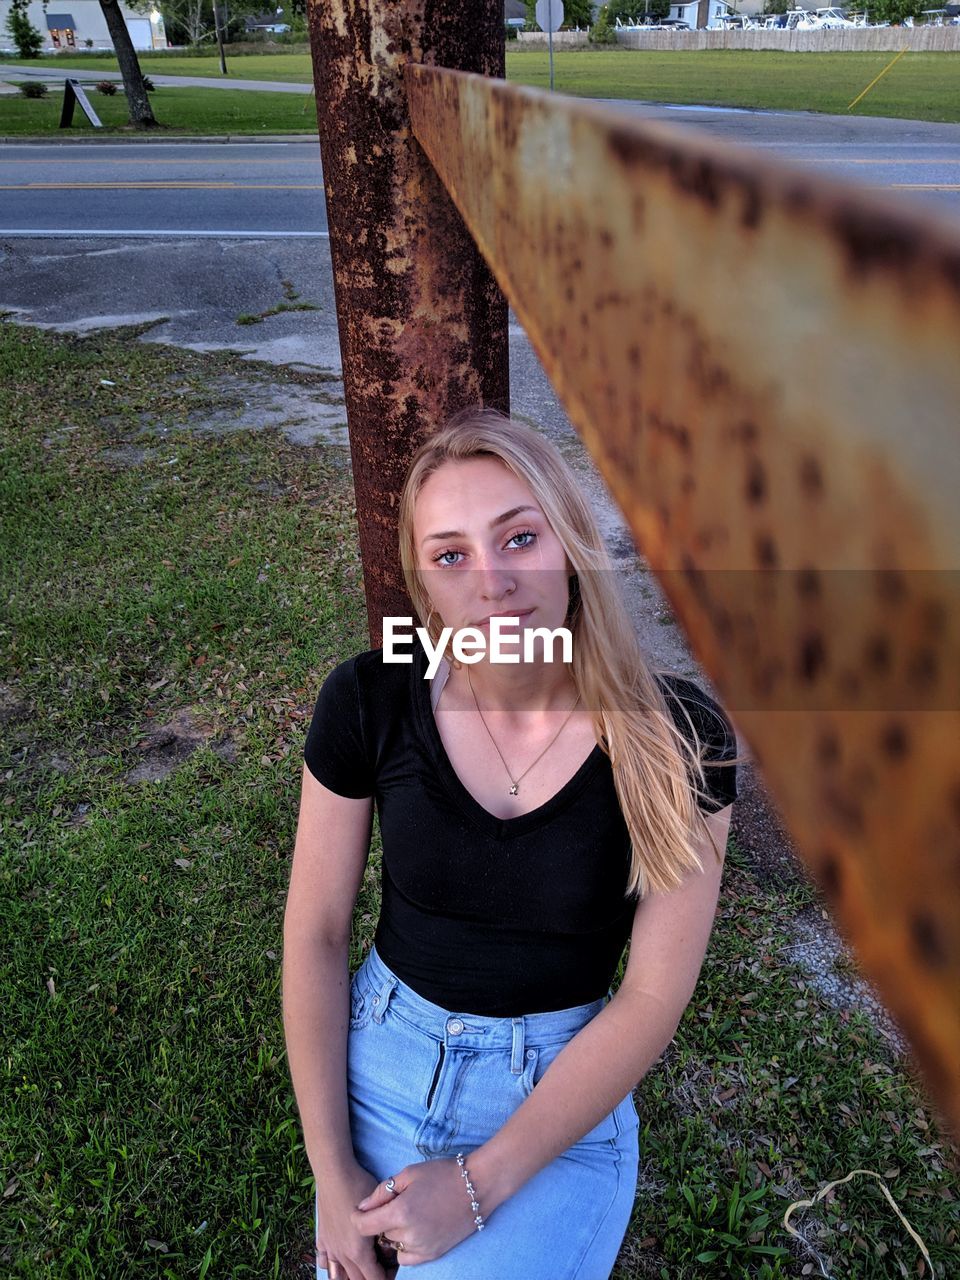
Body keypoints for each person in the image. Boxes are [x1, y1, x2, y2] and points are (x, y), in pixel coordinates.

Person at [282, 408, 739, 1280]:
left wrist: (478, 1185)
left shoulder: (679, 738)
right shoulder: (370, 700)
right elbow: (315, 933)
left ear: (568, 543)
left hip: (552, 1104)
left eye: (518, 537)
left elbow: (648, 998)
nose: (491, 582)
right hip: (377, 1060)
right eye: (451, 555)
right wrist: (331, 1173)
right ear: (427, 589)